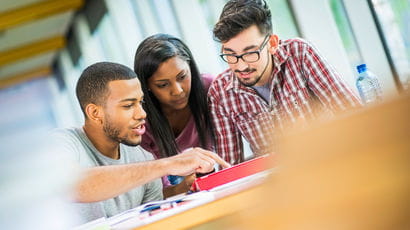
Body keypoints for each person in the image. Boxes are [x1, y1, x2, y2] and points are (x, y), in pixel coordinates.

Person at [52, 62, 230, 223]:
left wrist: (184, 187)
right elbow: (73, 184)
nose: (142, 114)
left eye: (140, 102)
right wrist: (169, 164)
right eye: (128, 106)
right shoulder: (62, 143)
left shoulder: (141, 156)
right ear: (95, 113)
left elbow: (154, 221)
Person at [208, 0, 361, 165]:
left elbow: (353, 115)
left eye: (250, 53)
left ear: (272, 44)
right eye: (230, 54)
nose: (241, 66)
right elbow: (229, 170)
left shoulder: (300, 53)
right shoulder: (220, 93)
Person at [134, 34, 215, 197]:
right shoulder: (141, 120)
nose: (177, 90)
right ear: (147, 86)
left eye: (182, 76)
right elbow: (156, 192)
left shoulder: (209, 88)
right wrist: (184, 186)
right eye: (163, 85)